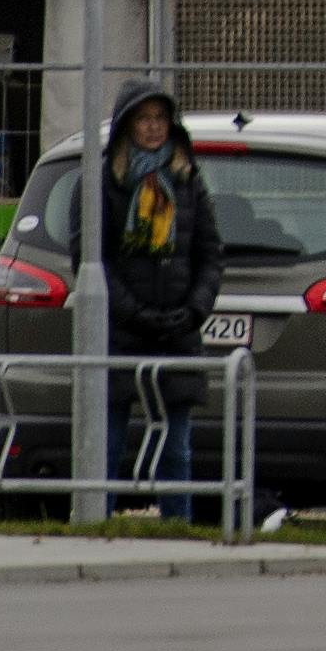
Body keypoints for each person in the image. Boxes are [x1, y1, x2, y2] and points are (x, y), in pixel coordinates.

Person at [97, 83, 222, 518]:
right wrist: (135, 313)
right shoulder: (104, 182)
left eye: (160, 118)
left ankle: (177, 529)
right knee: (108, 445)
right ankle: (98, 525)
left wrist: (194, 311)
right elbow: (92, 259)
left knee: (177, 449)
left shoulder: (188, 180)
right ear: (127, 126)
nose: (153, 128)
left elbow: (210, 255)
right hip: (121, 332)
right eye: (143, 118)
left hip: (177, 333)